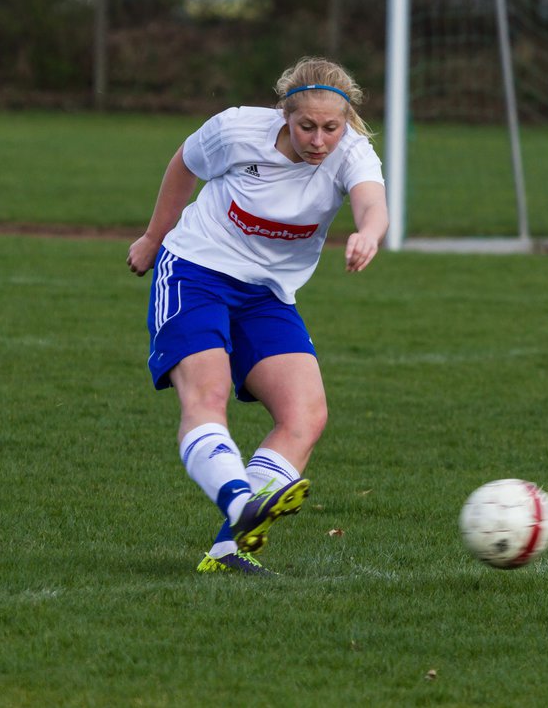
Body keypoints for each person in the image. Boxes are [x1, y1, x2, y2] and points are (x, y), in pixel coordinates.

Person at [127, 57, 388, 575]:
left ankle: (228, 550)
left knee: (305, 415)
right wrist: (154, 237)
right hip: (196, 270)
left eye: (331, 128)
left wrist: (368, 234)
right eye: (306, 126)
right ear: (285, 116)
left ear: (346, 120)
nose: (318, 140)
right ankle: (240, 501)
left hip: (267, 295)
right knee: (208, 395)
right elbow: (184, 164)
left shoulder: (352, 153)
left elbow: (372, 202)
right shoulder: (236, 130)